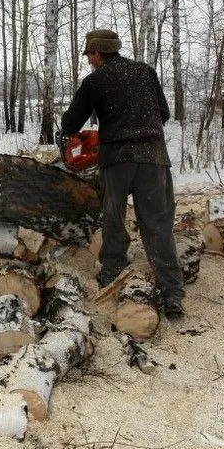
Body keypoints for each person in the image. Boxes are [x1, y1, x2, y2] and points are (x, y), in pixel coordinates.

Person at [60, 29, 185, 319]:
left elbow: (70, 123)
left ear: (97, 53)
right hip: (153, 158)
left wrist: (100, 126)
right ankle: (172, 294)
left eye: (90, 55)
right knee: (157, 224)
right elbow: (163, 114)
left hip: (117, 159)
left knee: (114, 219)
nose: (89, 61)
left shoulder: (94, 81)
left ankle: (112, 274)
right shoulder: (145, 72)